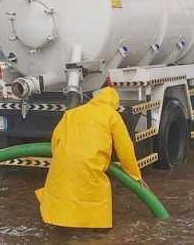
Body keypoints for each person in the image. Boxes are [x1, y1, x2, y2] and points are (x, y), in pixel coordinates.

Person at [35, 87, 146, 229]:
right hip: (90, 167)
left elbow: (55, 140)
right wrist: (135, 175)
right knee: (97, 195)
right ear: (114, 104)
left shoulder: (72, 113)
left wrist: (65, 157)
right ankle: (95, 232)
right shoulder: (112, 115)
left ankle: (61, 224)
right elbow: (125, 148)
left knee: (61, 192)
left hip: (63, 166)